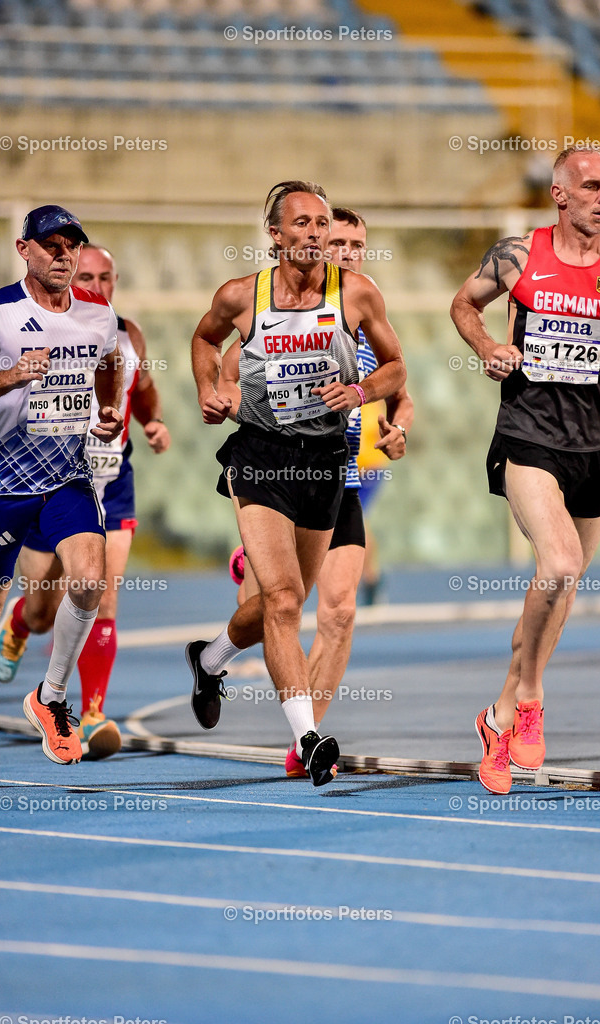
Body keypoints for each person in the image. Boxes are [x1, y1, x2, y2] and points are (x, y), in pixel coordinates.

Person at [187, 180, 407, 786]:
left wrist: (361, 392)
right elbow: (205, 339)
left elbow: (397, 368)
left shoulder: (356, 294)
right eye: (303, 224)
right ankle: (308, 739)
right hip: (259, 455)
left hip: (325, 461)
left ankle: (210, 659)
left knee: (292, 600)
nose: (314, 234)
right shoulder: (242, 296)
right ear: (276, 234)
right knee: (283, 601)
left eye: (321, 224)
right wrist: (210, 390)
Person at [450, 147, 600, 795]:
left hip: (595, 448)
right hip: (528, 438)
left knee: (558, 595)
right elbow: (463, 305)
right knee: (559, 564)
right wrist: (488, 347)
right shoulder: (518, 255)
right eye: (590, 185)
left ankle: (497, 719)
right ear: (559, 195)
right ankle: (532, 697)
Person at [0, 243, 170, 759]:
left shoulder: (126, 332)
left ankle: (90, 713)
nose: (99, 285)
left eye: (107, 277)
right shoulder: (31, 326)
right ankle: (22, 621)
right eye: (89, 274)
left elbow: (142, 386)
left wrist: (151, 421)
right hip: (49, 484)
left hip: (110, 484)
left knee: (101, 592)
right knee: (47, 608)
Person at [0, 205, 124, 788]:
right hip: (1, 482)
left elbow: (109, 361)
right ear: (24, 249)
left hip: (67, 476)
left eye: (72, 246)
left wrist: (108, 409)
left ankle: (51, 695)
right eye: (50, 245)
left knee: (88, 579)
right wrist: (11, 376)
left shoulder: (97, 315)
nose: (63, 255)